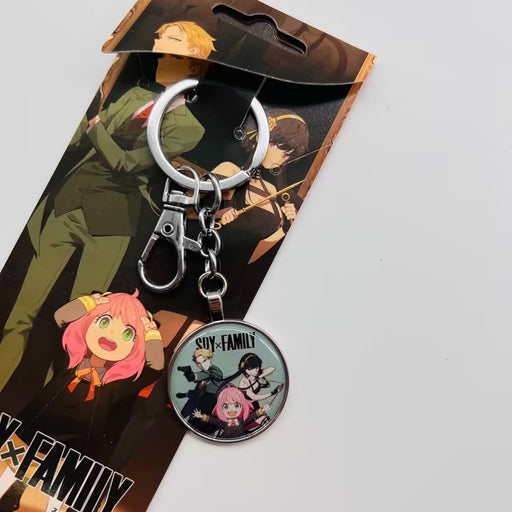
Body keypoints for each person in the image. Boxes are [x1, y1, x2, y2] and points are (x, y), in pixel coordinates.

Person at [0, 19, 218, 391]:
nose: (158, 50)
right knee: (19, 315)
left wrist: (95, 127)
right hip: (68, 205)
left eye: (170, 46)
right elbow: (79, 141)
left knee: (78, 329)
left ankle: (43, 409)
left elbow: (128, 164)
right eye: (159, 42)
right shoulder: (133, 95)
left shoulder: (188, 127)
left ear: (194, 64)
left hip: (112, 223)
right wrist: (76, 111)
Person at [0, 291, 164, 510]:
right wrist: (89, 303)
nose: (112, 334)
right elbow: (58, 319)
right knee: (23, 457)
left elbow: (155, 367)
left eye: (127, 334)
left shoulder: (118, 383)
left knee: (59, 477)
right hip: (43, 421)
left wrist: (151, 334)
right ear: (88, 323)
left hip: (79, 437)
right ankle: (11, 492)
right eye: (104, 322)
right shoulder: (70, 360)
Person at [213, 108, 310, 265]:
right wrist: (218, 215)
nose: (282, 158)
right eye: (279, 147)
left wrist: (289, 223)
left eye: (288, 155)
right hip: (219, 260)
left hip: (257, 268)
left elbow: (270, 244)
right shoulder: (229, 170)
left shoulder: (272, 189)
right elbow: (190, 212)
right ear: (262, 137)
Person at [193, 386, 270, 440]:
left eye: (236, 405)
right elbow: (212, 420)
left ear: (243, 406)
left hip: (242, 441)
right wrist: (201, 416)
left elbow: (252, 416)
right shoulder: (224, 423)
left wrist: (262, 410)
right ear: (220, 408)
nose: (232, 410)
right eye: (226, 406)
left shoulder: (241, 420)